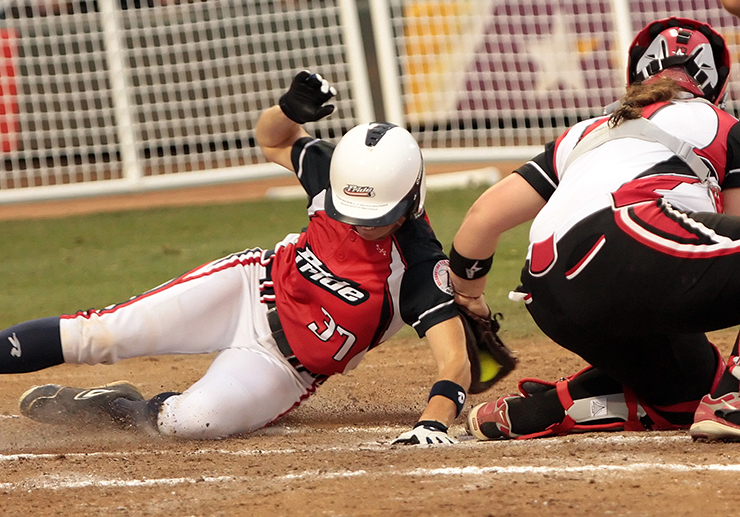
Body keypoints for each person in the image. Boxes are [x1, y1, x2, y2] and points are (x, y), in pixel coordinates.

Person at [2, 70, 471, 444]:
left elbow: (455, 363)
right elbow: (273, 139)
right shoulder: (337, 174)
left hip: (286, 368)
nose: (361, 224)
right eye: (353, 213)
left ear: (412, 199)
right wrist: (287, 111)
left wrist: (433, 423)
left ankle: (110, 406)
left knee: (189, 422)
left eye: (377, 216)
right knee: (98, 335)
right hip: (247, 287)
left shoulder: (420, 265)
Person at [452, 17, 740, 441]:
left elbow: (481, 217)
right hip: (631, 240)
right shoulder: (721, 124)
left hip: (549, 295)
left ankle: (569, 404)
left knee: (690, 392)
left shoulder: (582, 133)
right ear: (713, 86)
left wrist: (469, 299)